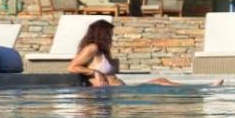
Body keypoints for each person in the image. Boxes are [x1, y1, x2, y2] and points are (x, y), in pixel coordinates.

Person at [67, 20, 215, 87]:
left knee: (161, 80)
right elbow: (72, 67)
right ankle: (203, 87)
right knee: (160, 82)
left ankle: (202, 87)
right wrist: (95, 72)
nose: (110, 37)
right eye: (108, 34)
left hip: (120, 91)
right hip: (114, 92)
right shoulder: (92, 48)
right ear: (100, 33)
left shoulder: (102, 51)